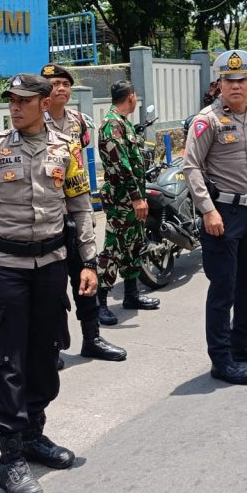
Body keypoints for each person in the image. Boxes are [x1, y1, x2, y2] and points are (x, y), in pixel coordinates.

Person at [0, 73, 97, 493]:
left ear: (42, 102)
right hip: (8, 268)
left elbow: (80, 205)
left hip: (52, 266)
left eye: (23, 101)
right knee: (9, 360)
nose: (15, 108)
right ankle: (11, 457)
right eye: (11, 101)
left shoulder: (66, 149)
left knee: (45, 352)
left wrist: (89, 261)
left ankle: (35, 435)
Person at [183, 50, 247, 385]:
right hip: (222, 214)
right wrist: (208, 210)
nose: (236, 85)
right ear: (220, 84)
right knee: (223, 288)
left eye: (242, 80)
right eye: (229, 80)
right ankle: (221, 359)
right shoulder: (206, 120)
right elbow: (192, 167)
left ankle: (243, 342)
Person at [40, 63, 125, 363]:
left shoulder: (78, 121)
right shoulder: (35, 122)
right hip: (48, 213)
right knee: (51, 287)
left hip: (78, 207)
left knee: (86, 273)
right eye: (53, 83)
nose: (60, 88)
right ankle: (50, 348)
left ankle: (92, 338)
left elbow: (82, 156)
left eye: (65, 83)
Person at [96, 80, 157, 326]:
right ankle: (98, 303)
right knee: (114, 248)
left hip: (131, 199)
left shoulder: (124, 124)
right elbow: (121, 166)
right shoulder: (112, 125)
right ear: (130, 97)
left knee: (133, 245)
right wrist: (136, 198)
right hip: (123, 200)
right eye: (135, 96)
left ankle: (131, 295)